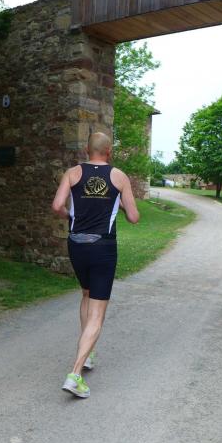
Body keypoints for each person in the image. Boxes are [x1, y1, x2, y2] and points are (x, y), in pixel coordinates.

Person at [51, 132, 139, 398]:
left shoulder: (72, 173)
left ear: (86, 150)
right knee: (98, 313)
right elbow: (134, 217)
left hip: (76, 243)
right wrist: (119, 203)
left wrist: (71, 218)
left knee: (86, 294)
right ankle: (75, 374)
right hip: (103, 247)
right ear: (109, 151)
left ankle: (87, 354)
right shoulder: (119, 177)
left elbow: (57, 205)